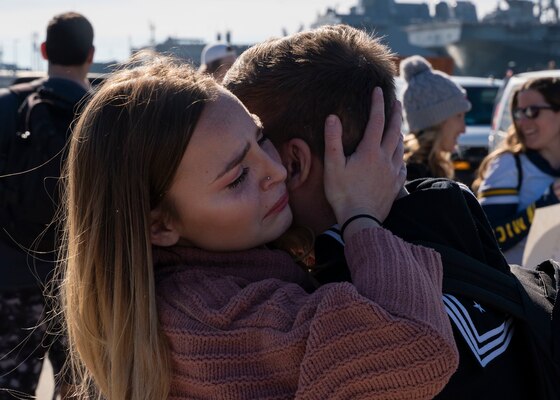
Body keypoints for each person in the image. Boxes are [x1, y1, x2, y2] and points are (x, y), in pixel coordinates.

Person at [58, 52, 458, 400]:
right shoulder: (205, 319)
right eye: (236, 178)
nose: (276, 170)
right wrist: (361, 214)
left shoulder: (191, 287)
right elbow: (415, 346)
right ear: (159, 226)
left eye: (261, 137)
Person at [224, 24, 547, 399]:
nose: (251, 171)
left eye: (246, 159)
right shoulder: (449, 219)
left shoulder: (334, 304)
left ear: (293, 164)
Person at [0, 11, 94, 399]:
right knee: (77, 387)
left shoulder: (6, 106)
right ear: (90, 54)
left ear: (43, 51)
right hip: (77, 279)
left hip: (11, 275)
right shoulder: (101, 114)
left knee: (11, 386)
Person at [473, 77, 560, 265]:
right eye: (519, 113)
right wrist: (547, 203)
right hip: (520, 290)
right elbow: (487, 239)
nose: (523, 122)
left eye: (532, 112)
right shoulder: (508, 165)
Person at [400, 55, 471, 181]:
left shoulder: (409, 171)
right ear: (437, 121)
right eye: (459, 116)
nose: (463, 129)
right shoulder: (416, 177)